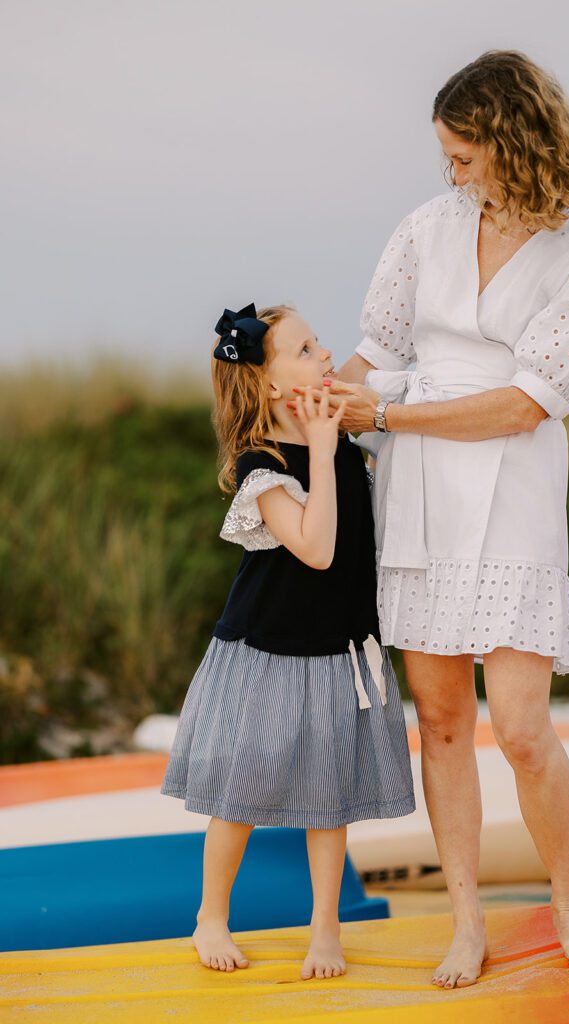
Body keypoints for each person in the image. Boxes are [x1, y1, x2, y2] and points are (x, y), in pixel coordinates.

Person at [296, 50, 569, 988]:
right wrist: (311, 409)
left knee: (520, 727)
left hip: (514, 484)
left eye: (464, 157)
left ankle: (568, 902)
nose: (450, 175)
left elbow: (525, 405)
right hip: (418, 495)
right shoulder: (423, 229)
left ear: (517, 144)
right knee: (440, 723)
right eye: (445, 158)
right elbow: (375, 354)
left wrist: (387, 416)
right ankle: (466, 920)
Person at [159, 302, 416, 981]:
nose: (324, 355)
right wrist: (324, 454)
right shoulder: (261, 465)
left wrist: (344, 444)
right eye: (304, 350)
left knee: (327, 800)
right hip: (267, 653)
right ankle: (210, 915)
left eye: (318, 343)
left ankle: (324, 928)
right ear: (270, 384)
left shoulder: (353, 452)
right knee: (239, 794)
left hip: (338, 650)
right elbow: (316, 548)